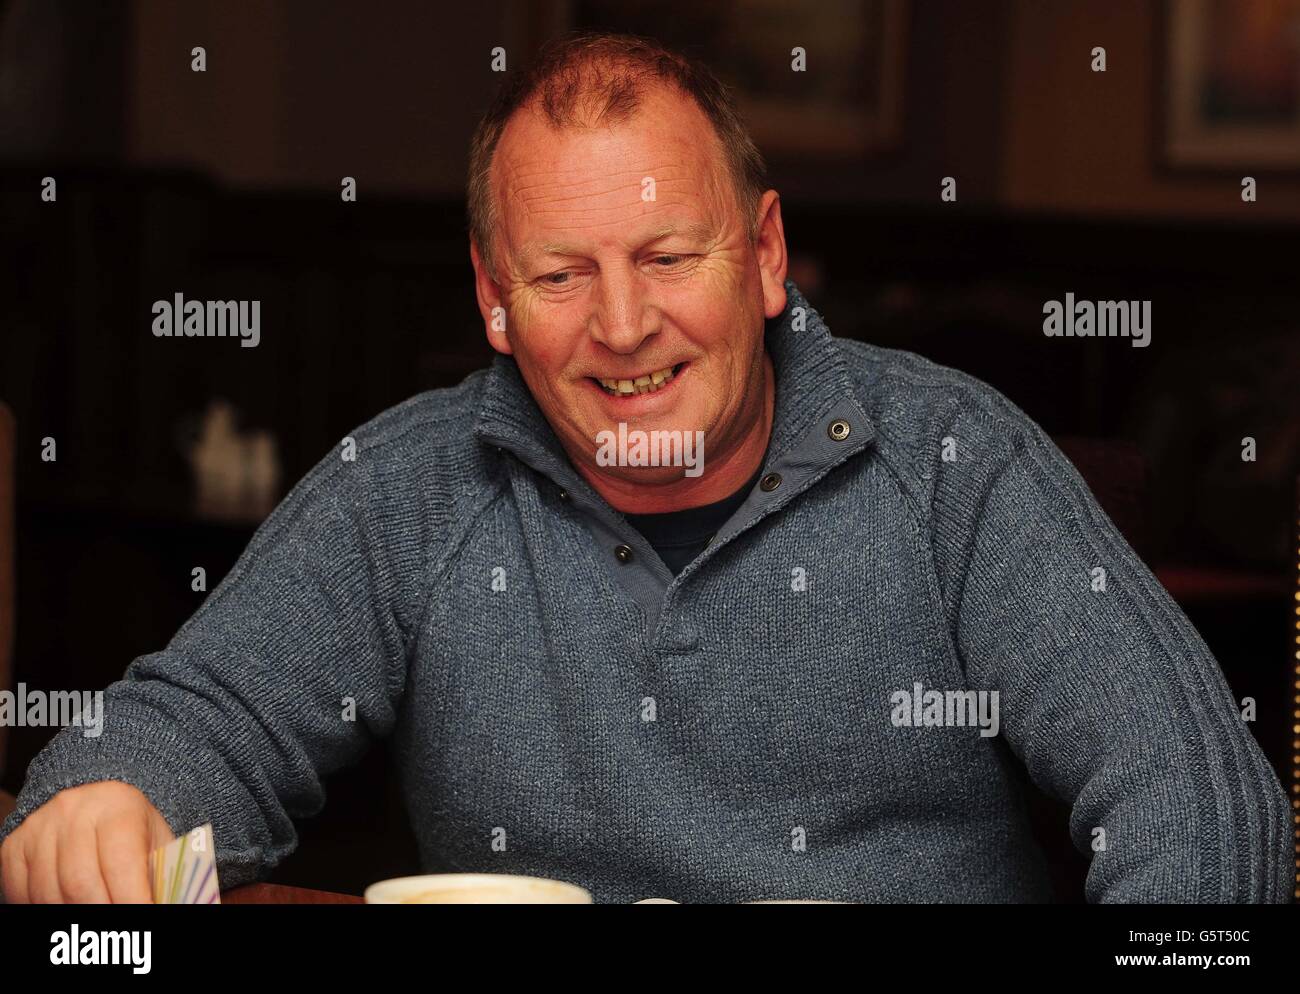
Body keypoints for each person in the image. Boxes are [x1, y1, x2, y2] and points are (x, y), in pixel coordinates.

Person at [1, 32, 1289, 904]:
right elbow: (189, 721)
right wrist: (101, 798)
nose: (622, 326)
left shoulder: (960, 469)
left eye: (669, 256)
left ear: (770, 256)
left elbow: (1203, 814)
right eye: (562, 275)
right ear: (494, 301)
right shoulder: (406, 489)